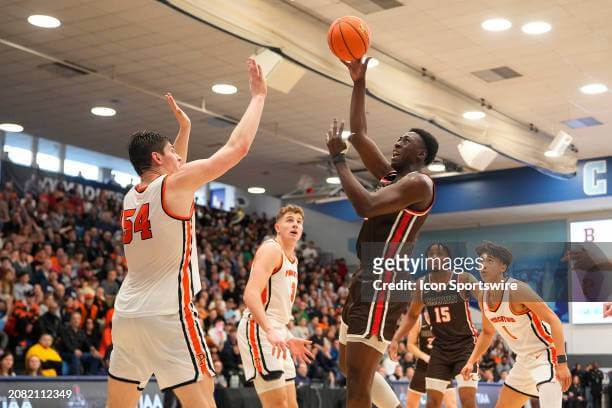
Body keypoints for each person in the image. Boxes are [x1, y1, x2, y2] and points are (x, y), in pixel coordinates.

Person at [108, 58, 267, 408]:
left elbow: (173, 173)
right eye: (173, 154)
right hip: (169, 311)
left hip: (128, 313)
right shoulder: (173, 185)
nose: (179, 158)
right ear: (158, 158)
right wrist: (257, 97)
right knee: (204, 396)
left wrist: (184, 129)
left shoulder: (130, 197)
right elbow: (235, 149)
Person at [326, 56, 437, 408]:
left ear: (420, 153)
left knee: (359, 379)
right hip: (368, 275)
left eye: (404, 141)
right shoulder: (395, 178)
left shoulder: (418, 183)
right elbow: (358, 134)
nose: (396, 144)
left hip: (384, 281)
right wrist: (359, 82)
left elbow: (367, 206)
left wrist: (339, 161)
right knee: (350, 366)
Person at [460, 242, 572, 407]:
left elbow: (554, 320)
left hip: (546, 355)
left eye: (489, 261)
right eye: (481, 262)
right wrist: (471, 361)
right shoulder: (483, 297)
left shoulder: (517, 290)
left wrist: (561, 363)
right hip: (523, 360)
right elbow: (487, 333)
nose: (483, 266)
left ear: (503, 266)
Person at [237, 205, 314, 408]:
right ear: (277, 227)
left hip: (278, 332)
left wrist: (287, 335)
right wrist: (270, 329)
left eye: (299, 221)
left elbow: (276, 309)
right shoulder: (272, 249)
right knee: (277, 404)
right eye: (289, 220)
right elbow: (251, 295)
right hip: (258, 328)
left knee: (291, 404)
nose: (295, 224)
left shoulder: (294, 259)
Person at [390, 243, 479, 408]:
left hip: (465, 346)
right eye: (430, 254)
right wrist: (396, 338)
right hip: (440, 349)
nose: (434, 257)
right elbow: (411, 315)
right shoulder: (421, 285)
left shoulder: (463, 278)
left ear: (449, 259)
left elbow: (485, 299)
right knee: (432, 403)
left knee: (467, 402)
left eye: (440, 254)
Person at [405, 309, 457, 408]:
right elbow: (410, 345)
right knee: (411, 405)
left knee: (451, 404)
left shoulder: (446, 319)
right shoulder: (419, 320)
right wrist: (425, 357)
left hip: (442, 368)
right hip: (423, 367)